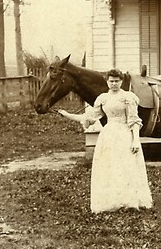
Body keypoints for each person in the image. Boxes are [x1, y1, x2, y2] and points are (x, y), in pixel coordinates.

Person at [57, 68, 153, 212]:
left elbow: (134, 121)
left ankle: (129, 200)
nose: (114, 84)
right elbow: (89, 117)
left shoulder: (128, 97)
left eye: (116, 81)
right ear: (107, 82)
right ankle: (113, 200)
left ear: (121, 82)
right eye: (111, 81)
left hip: (124, 134)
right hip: (108, 135)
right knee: (110, 166)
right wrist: (67, 115)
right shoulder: (103, 98)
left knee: (125, 166)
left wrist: (135, 141)